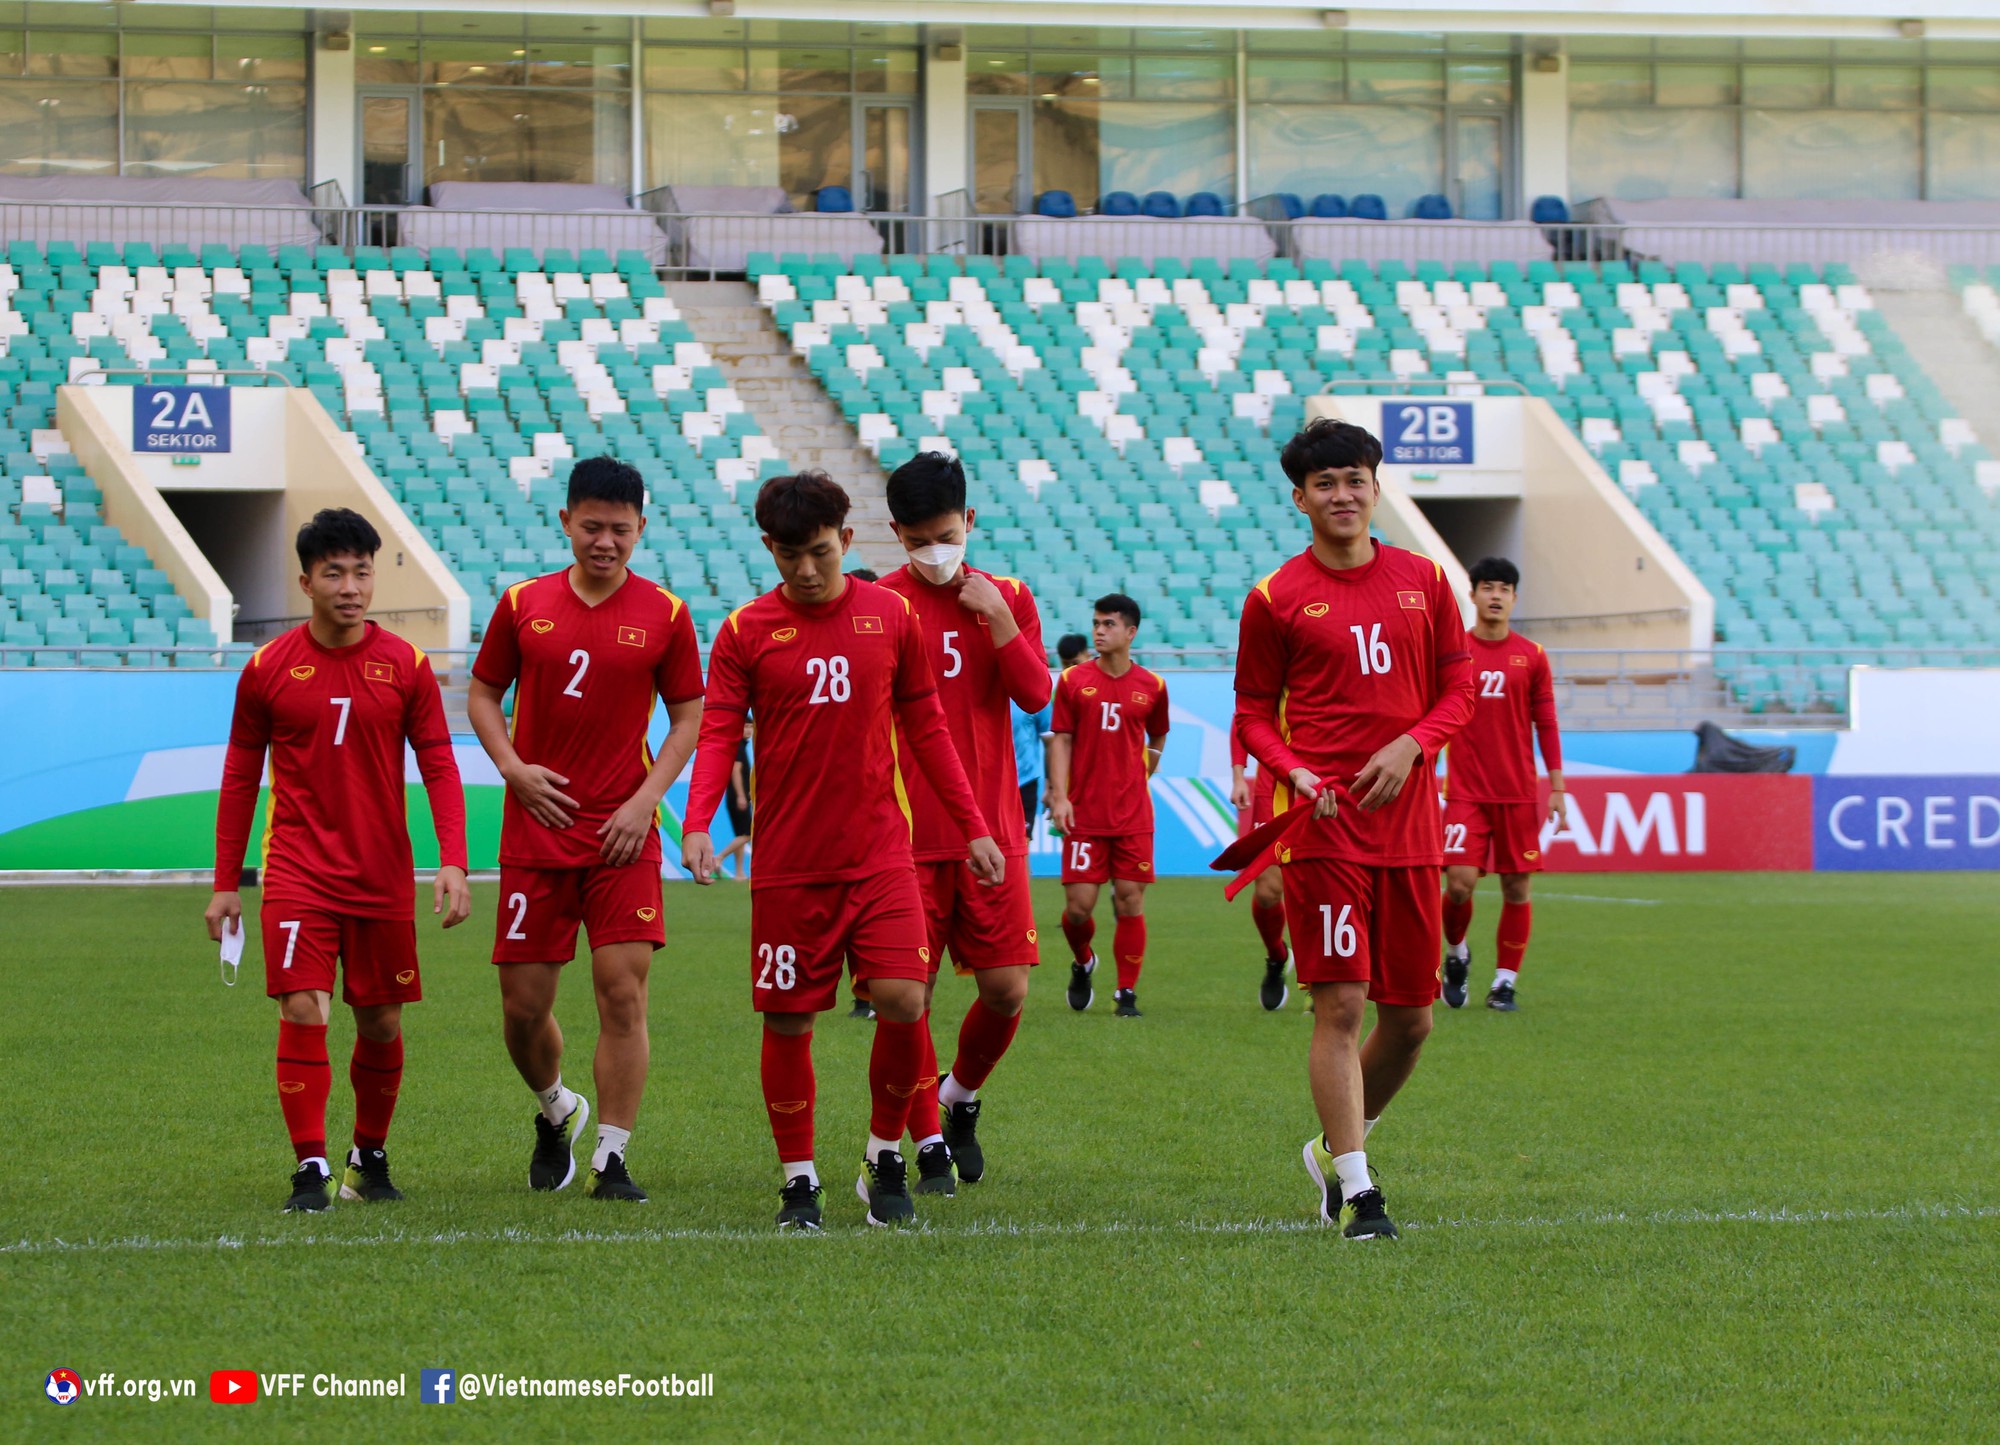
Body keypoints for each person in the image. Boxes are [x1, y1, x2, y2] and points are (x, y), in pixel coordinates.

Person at [680, 471, 1004, 1231]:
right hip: (789, 865)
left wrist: (976, 826)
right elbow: (720, 730)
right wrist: (698, 821)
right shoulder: (743, 631)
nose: (805, 569)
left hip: (882, 854)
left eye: (820, 552)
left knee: (903, 998)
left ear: (847, 541)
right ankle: (799, 1179)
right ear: (768, 546)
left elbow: (927, 729)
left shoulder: (890, 616)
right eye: (789, 554)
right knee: (789, 1021)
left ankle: (883, 1152)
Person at [1233, 418, 1474, 1241]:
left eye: (1355, 479)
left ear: (1375, 487)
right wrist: (1292, 771)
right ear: (1300, 498)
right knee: (1340, 1005)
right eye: (1325, 484)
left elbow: (1458, 688)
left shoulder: (1426, 581)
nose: (1343, 495)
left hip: (1410, 827)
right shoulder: (1274, 598)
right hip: (1324, 826)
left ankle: (1333, 1147)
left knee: (1411, 1019)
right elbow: (1252, 714)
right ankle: (1359, 1190)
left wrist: (1414, 743)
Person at [206, 508, 471, 1212]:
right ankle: (310, 1166)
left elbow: (440, 764)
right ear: (306, 581)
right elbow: (239, 777)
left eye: (361, 570)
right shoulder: (267, 669)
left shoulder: (407, 665)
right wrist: (226, 883)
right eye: (334, 572)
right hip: (297, 870)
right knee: (304, 1006)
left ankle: (370, 1155)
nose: (351, 586)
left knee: (381, 1021)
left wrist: (453, 860)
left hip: (382, 875)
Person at [467, 456, 704, 1204]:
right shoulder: (521, 603)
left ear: (642, 528)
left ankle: (612, 1154)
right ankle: (556, 1109)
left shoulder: (665, 613)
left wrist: (646, 801)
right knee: (523, 1007)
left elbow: (690, 715)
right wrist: (513, 766)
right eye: (592, 526)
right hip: (535, 832)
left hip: (621, 837)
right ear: (565, 521)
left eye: (621, 529)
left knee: (621, 995)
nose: (606, 542)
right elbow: (481, 693)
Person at [878, 451, 1050, 1191]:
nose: (934, 552)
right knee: (906, 998)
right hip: (906, 838)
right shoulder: (880, 605)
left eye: (945, 535)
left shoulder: (1008, 596)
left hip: (993, 834)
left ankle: (959, 1098)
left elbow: (1038, 694)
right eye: (918, 540)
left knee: (1007, 989)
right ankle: (922, 1140)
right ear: (897, 536)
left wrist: (1004, 622)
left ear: (970, 523)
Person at [1440, 556, 1567, 1013]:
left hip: (1516, 793)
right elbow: (1432, 716)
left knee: (1517, 888)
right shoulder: (1453, 652)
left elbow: (1546, 722)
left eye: (1504, 589)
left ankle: (1504, 984)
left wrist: (1557, 786)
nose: (1495, 596)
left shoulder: (1532, 656)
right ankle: (1456, 954)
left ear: (1514, 598)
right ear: (1472, 594)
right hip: (1465, 791)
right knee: (1459, 884)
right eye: (1487, 587)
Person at [1047, 596, 1169, 1018]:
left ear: (1131, 632)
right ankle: (1083, 961)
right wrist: (1060, 795)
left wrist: (1142, 774)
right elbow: (1060, 738)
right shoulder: (1072, 681)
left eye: (1109, 624)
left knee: (1129, 902)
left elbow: (1157, 738)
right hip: (1084, 813)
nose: (1099, 631)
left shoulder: (1153, 686)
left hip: (1134, 815)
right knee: (1077, 909)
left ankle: (1126, 992)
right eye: (1096, 624)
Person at [1230, 722, 1292, 1010]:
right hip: (1273, 784)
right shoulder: (1272, 677)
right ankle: (1277, 956)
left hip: (1322, 779)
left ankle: (1320, 982)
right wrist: (1239, 776)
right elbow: (1243, 719)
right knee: (1268, 892)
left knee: (1320, 887)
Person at [716, 723, 753, 880]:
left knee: (741, 834)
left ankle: (739, 873)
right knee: (748, 834)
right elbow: (735, 771)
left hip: (739, 795)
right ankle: (719, 858)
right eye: (745, 726)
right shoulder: (738, 746)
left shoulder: (742, 746)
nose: (748, 730)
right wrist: (741, 795)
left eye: (751, 727)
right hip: (738, 796)